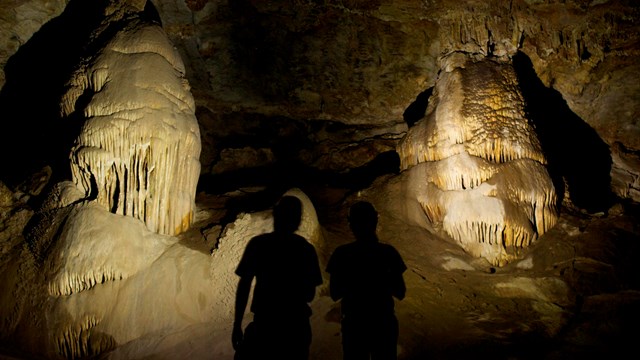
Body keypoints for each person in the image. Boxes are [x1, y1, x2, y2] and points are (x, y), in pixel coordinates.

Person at [232, 196, 323, 360]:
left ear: (276, 215)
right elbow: (310, 294)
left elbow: (244, 285)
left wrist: (237, 323)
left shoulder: (258, 244)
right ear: (298, 220)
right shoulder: (306, 250)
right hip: (296, 326)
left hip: (265, 324)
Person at [326, 201, 407, 360]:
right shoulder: (388, 253)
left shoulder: (342, 254)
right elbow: (400, 292)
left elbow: (335, 293)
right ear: (375, 221)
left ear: (351, 224)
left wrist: (355, 283)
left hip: (355, 325)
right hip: (383, 323)